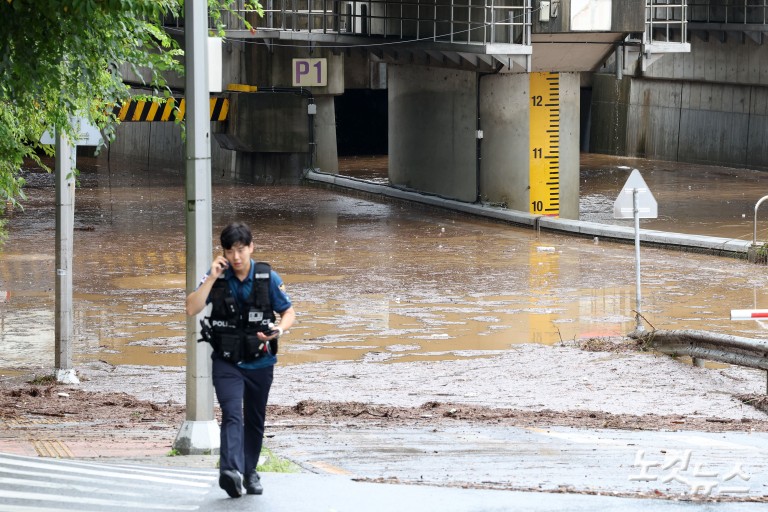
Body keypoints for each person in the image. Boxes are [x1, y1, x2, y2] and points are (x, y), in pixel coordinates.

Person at [186, 221, 296, 498]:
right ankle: (230, 471)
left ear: (251, 248)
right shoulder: (217, 277)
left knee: (255, 418)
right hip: (227, 361)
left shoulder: (267, 277)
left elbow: (289, 312)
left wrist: (279, 330)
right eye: (230, 251)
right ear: (223, 252)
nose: (235, 257)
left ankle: (250, 472)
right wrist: (210, 278)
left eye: (240, 249)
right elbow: (191, 307)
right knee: (232, 413)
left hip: (261, 361)